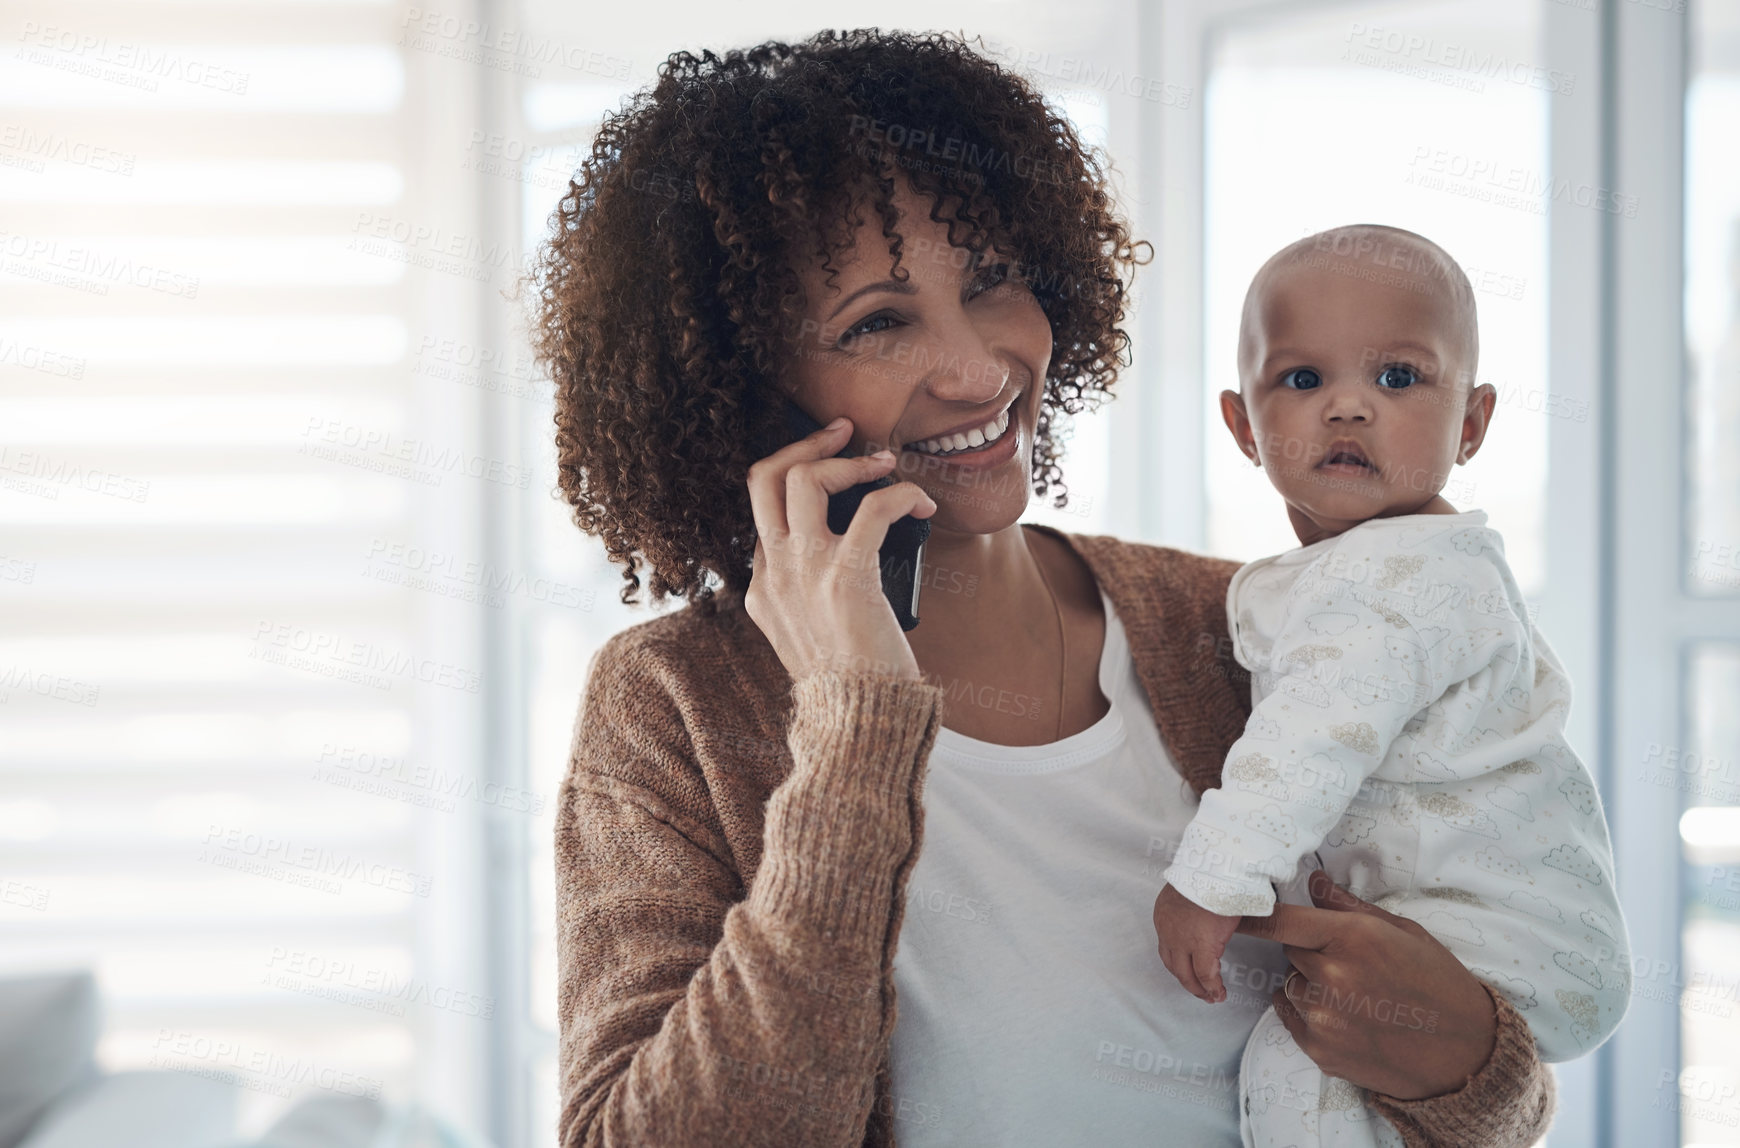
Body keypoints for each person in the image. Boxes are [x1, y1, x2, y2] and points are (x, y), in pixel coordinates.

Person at [535, 30, 1558, 1147]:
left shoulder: (1246, 626)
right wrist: (856, 731)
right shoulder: (673, 702)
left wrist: (1465, 1053)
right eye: (879, 321)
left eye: (991, 283)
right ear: (743, 388)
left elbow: (1487, 1080)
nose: (979, 370)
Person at [1150, 225, 1631, 1147]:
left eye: (1399, 379)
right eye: (1302, 380)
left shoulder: (1397, 581)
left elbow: (1309, 742)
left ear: (1474, 422)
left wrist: (1208, 881)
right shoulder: (1395, 568)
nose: (1348, 409)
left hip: (1490, 930)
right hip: (1495, 929)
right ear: (1244, 426)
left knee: (1298, 1060)